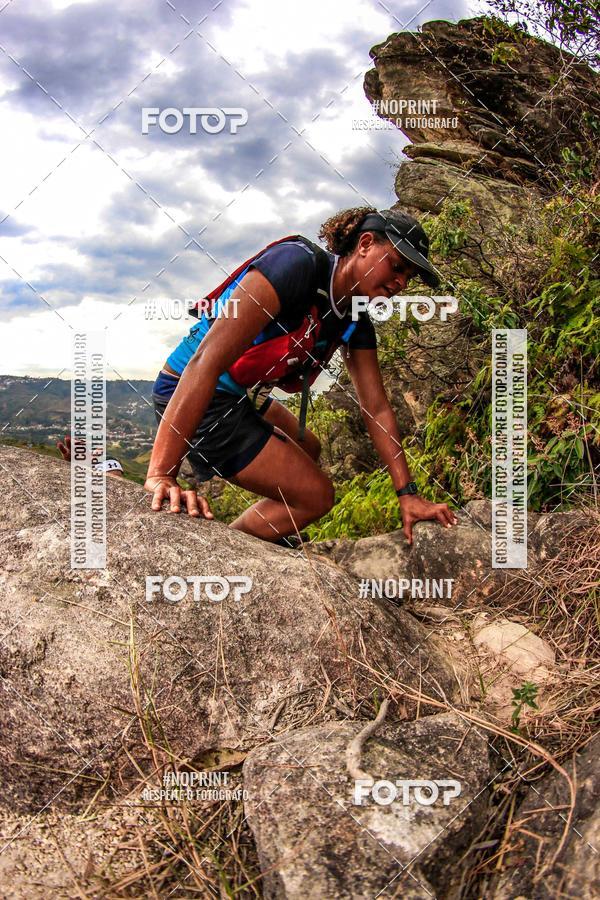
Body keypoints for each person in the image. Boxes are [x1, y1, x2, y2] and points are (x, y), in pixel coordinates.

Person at [146, 206, 458, 545]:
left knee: (309, 445)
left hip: (239, 392)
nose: (400, 283)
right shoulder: (293, 265)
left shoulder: (355, 319)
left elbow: (377, 408)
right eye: (397, 266)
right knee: (317, 496)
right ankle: (226, 549)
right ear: (365, 244)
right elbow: (205, 362)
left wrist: (407, 494)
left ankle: (269, 529)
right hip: (192, 388)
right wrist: (162, 473)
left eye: (408, 277)